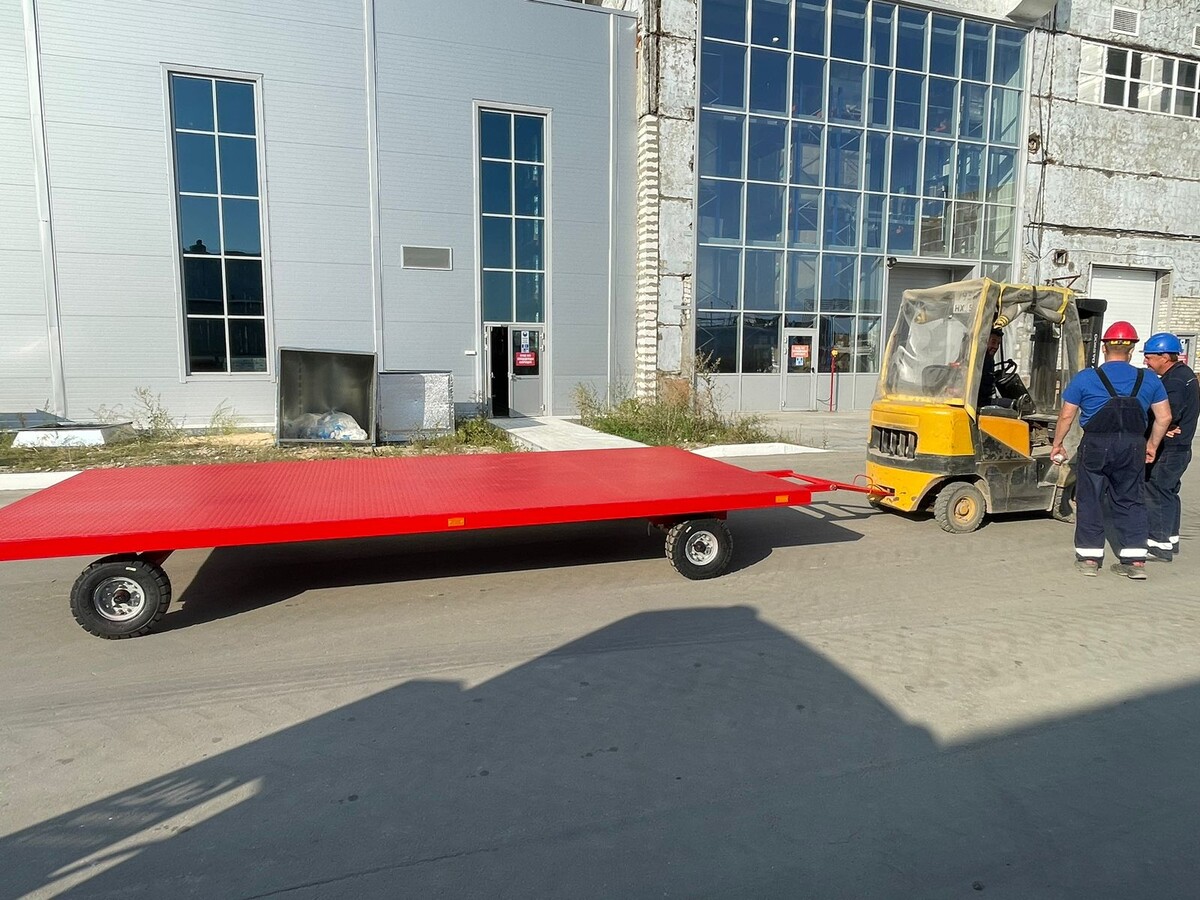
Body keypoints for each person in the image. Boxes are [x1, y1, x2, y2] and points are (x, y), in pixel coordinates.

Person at [1050, 321, 1171, 579]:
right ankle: (1134, 561)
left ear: (1104, 348)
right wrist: (1151, 445)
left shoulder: (1086, 377)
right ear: (1131, 350)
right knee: (1131, 499)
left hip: (1096, 445)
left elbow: (1066, 416)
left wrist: (1057, 443)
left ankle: (1089, 559)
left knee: (1090, 498)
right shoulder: (1149, 378)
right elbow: (1164, 417)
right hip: (1132, 445)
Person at [1141, 332, 1199, 562]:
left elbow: (1167, 414)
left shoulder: (1174, 382)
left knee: (1156, 492)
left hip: (1170, 449)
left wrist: (1160, 425)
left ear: (1165, 357)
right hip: (1179, 448)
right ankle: (1170, 540)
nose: (1146, 361)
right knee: (1169, 492)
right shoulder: (1183, 374)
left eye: (1149, 357)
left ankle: (1159, 546)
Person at [977, 328, 1003, 408]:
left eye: (998, 344)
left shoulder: (989, 359)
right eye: (993, 342)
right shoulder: (978, 359)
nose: (996, 347)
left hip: (984, 398)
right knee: (1014, 404)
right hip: (979, 401)